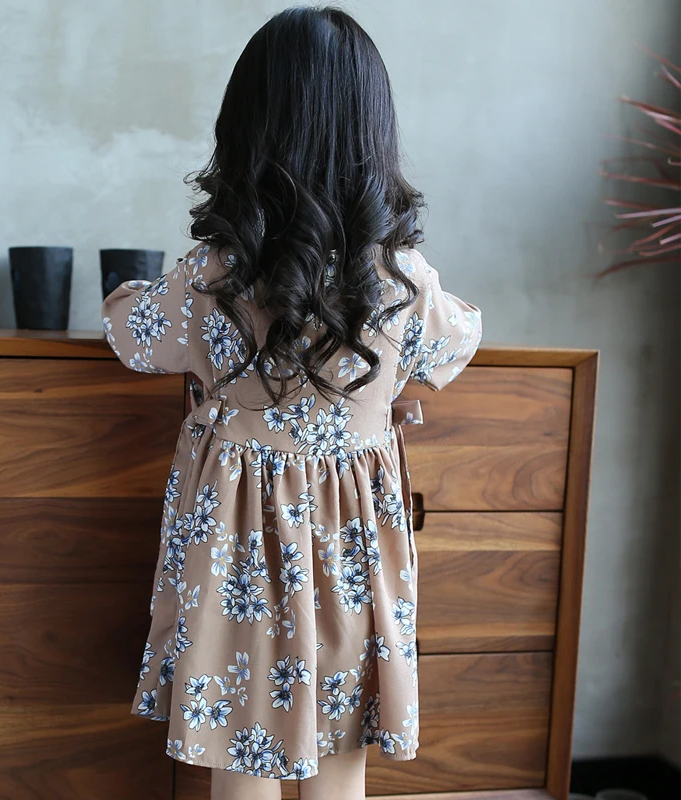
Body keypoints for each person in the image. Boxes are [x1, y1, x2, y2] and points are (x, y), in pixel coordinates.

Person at [101, 7, 482, 800]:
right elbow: (457, 342)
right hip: (352, 546)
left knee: (242, 747)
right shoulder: (401, 279)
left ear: (247, 130)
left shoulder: (216, 275)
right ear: (374, 134)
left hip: (238, 543)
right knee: (342, 752)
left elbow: (131, 334)